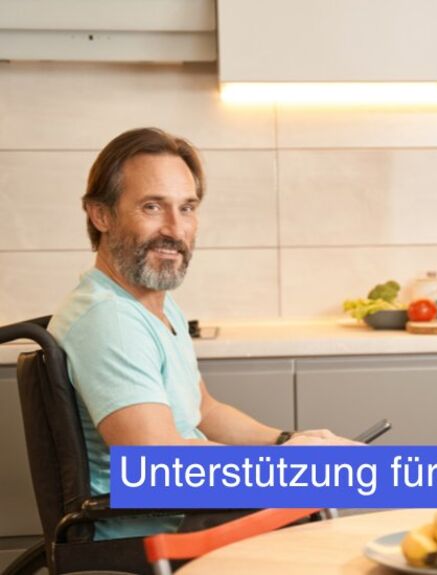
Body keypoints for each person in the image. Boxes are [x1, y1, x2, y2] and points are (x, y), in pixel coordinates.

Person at [49, 127, 356, 540]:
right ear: (101, 215)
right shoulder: (111, 320)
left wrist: (286, 442)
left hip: (196, 515)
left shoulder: (153, 303)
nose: (175, 229)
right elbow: (157, 465)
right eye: (153, 207)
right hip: (158, 535)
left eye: (187, 208)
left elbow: (204, 410)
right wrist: (286, 468)